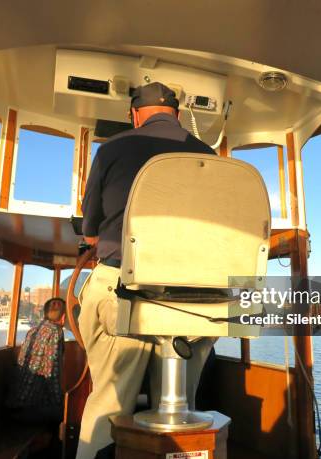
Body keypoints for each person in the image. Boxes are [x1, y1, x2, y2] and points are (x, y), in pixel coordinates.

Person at [77, 82, 217, 459]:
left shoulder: (111, 150)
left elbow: (90, 230)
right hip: (199, 301)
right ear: (176, 113)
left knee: (108, 399)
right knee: (179, 402)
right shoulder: (210, 155)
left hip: (125, 287)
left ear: (134, 114)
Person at [6, 297, 66, 427]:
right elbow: (52, 373)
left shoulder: (32, 330)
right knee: (68, 414)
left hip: (13, 405)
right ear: (64, 317)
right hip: (30, 408)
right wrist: (59, 401)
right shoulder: (56, 332)